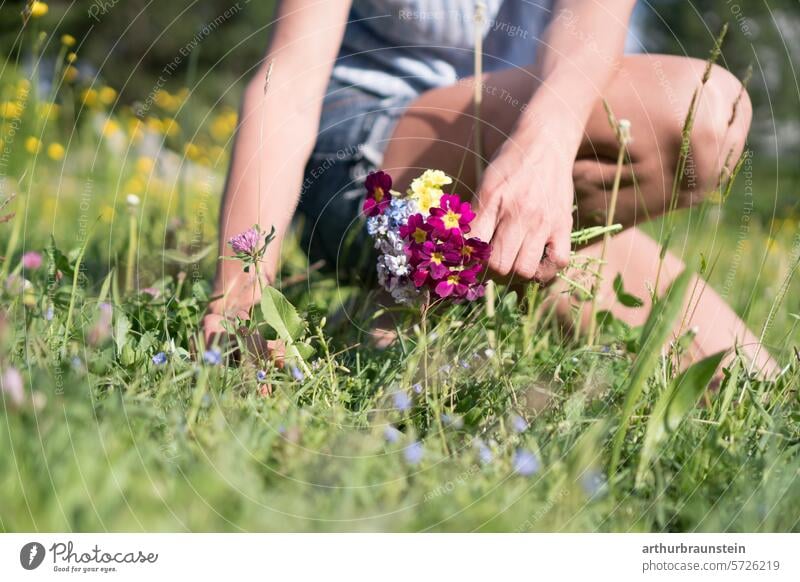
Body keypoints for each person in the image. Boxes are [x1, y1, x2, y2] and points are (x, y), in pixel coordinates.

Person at [203, 0, 778, 375]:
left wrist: (542, 153)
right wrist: (240, 298)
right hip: (362, 165)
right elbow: (290, 85)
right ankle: (407, 292)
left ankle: (388, 311)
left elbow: (590, 36)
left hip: (523, 156)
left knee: (747, 379)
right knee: (696, 109)